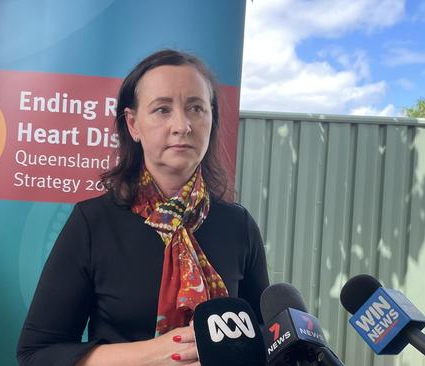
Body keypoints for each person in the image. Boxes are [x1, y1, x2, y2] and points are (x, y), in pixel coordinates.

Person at [16, 49, 269, 366]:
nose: (182, 125)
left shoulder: (237, 225)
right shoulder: (93, 223)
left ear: (211, 119)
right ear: (133, 125)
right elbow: (37, 353)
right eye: (162, 110)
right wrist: (159, 353)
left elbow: (267, 334)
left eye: (196, 108)